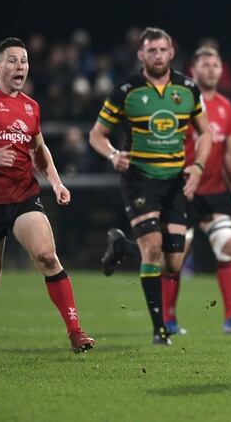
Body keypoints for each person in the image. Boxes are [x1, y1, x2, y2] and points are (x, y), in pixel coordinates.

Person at [0, 37, 94, 353]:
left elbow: (39, 149)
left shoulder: (30, 106)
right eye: (12, 60)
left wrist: (56, 181)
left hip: (24, 197)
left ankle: (76, 332)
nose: (19, 66)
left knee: (47, 256)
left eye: (23, 60)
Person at [101, 46, 231, 336]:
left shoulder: (225, 105)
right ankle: (169, 320)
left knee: (229, 246)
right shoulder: (180, 100)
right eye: (206, 65)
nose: (212, 70)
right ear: (194, 70)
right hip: (181, 189)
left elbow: (228, 152)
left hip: (213, 191)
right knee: (172, 257)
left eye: (216, 65)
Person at [88, 27, 211, 345]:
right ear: (141, 55)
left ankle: (122, 247)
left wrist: (197, 167)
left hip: (175, 181)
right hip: (140, 180)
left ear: (172, 53)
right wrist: (114, 155)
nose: (158, 55)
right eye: (151, 50)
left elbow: (205, 133)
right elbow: (96, 135)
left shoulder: (187, 89)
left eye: (163, 50)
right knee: (153, 249)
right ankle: (159, 330)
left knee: (173, 262)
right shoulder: (126, 91)